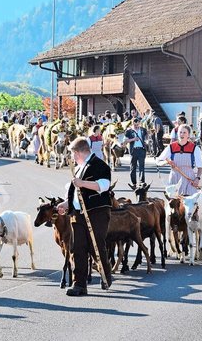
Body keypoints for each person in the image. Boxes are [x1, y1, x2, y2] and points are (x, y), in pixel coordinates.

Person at [56, 137, 112, 296]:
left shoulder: (99, 165)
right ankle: (79, 284)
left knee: (96, 246)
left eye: (73, 153)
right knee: (77, 247)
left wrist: (83, 183)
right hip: (78, 214)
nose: (72, 157)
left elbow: (103, 186)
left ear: (79, 152)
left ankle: (105, 274)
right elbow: (77, 192)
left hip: (96, 212)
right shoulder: (79, 168)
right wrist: (66, 204)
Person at [156, 124, 202, 195]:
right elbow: (158, 161)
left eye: (184, 132)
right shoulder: (171, 147)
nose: (182, 134)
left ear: (188, 135)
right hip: (174, 178)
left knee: (190, 202)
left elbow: (200, 167)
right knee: (174, 203)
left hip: (189, 179)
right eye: (180, 132)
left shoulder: (194, 148)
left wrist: (197, 178)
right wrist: (167, 162)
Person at [124, 117, 149, 186]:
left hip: (141, 149)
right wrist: (133, 139)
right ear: (132, 124)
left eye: (137, 125)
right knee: (133, 167)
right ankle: (134, 182)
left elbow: (147, 137)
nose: (136, 126)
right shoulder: (128, 131)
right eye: (135, 125)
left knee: (142, 166)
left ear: (139, 123)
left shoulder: (143, 130)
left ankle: (142, 181)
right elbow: (125, 141)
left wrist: (147, 141)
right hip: (133, 150)